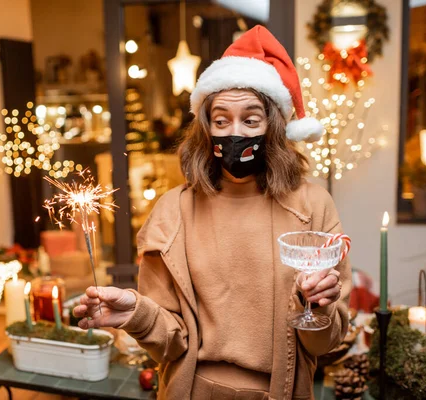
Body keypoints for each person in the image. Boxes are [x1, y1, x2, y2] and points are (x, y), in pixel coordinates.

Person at [73, 25, 351, 400]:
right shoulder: (174, 210)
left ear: (274, 126)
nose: (234, 132)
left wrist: (319, 305)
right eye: (221, 120)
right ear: (206, 128)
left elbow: (325, 345)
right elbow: (170, 342)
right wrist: (134, 315)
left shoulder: (313, 206)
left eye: (251, 119)